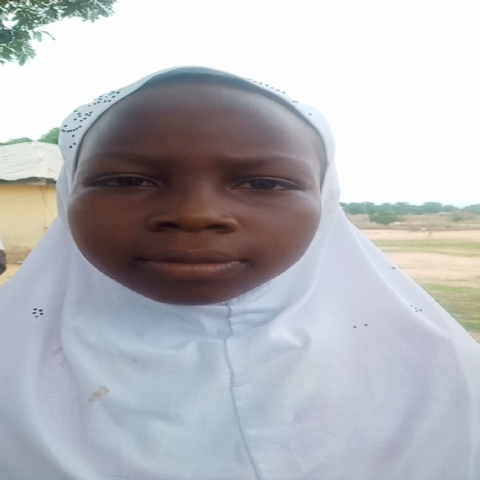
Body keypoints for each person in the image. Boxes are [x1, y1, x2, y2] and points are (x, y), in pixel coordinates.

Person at [0, 67, 479, 480]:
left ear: (325, 203)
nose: (194, 214)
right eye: (128, 180)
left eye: (263, 183)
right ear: (69, 194)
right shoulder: (11, 363)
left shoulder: (431, 370)